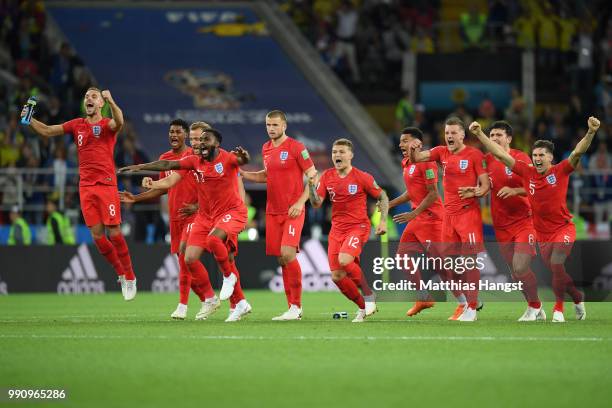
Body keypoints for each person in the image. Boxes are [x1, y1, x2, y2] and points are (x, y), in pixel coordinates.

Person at [468, 117, 600, 322]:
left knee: (540, 266)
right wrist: (478, 135)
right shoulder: (520, 168)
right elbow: (499, 156)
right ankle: (554, 302)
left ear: (550, 158)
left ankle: (557, 309)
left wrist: (591, 132)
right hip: (518, 228)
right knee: (516, 274)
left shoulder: (557, 170)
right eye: (535, 155)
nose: (537, 158)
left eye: (541, 155)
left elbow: (578, 152)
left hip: (535, 224)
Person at [119, 127, 253, 322]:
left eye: (204, 139)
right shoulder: (193, 161)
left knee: (220, 247)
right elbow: (167, 166)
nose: (199, 143)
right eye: (196, 140)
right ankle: (230, 301)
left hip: (230, 213)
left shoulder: (227, 158)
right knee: (189, 257)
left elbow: (242, 161)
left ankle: (229, 283)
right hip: (206, 216)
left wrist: (245, 157)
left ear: (216, 143)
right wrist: (140, 167)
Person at [21, 88, 137, 300]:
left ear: (101, 103)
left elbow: (119, 122)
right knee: (98, 237)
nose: (88, 99)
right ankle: (120, 274)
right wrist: (30, 120)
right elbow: (47, 130)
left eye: (93, 96)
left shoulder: (106, 125)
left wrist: (112, 100)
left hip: (106, 184)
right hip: (86, 187)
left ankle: (130, 276)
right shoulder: (77, 125)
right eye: (86, 97)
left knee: (115, 233)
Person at [460, 121, 543, 321]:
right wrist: (475, 191)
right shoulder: (486, 161)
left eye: (499, 135)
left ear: (509, 139)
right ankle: (535, 307)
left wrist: (515, 190)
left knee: (521, 267)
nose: (495, 138)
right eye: (493, 135)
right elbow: (485, 186)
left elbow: (536, 186)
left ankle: (534, 306)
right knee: (515, 273)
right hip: (502, 226)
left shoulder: (520, 158)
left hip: (524, 221)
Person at [409, 117, 490, 321]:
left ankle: (471, 307)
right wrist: (414, 148)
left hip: (468, 214)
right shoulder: (440, 152)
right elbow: (417, 159)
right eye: (447, 133)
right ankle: (473, 300)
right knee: (446, 265)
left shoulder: (474, 155)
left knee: (469, 262)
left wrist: (475, 193)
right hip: (449, 216)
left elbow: (485, 185)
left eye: (454, 133)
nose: (450, 136)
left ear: (463, 135)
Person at [241, 110, 317, 321]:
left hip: (293, 210)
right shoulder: (265, 148)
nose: (271, 129)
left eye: (275, 125)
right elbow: (267, 176)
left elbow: (313, 176)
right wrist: (244, 174)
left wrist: (301, 202)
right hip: (272, 212)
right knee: (282, 260)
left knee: (288, 254)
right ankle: (291, 307)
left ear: (284, 126)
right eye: (268, 125)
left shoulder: (296, 147)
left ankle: (297, 306)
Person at [308, 139, 388, 322]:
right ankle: (363, 307)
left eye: (342, 152)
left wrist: (382, 221)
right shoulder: (327, 176)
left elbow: (382, 196)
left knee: (345, 260)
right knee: (337, 276)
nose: (337, 155)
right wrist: (312, 187)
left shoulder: (362, 177)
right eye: (334, 152)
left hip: (358, 226)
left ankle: (369, 296)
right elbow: (316, 203)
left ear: (351, 155)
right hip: (337, 230)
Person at [389, 127, 444, 317]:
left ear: (416, 143)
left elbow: (433, 193)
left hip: (431, 218)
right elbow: (411, 192)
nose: (400, 144)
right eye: (401, 141)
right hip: (417, 218)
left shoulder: (427, 162)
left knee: (441, 264)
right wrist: (390, 204)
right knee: (403, 256)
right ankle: (423, 297)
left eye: (405, 141)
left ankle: (470, 301)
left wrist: (413, 214)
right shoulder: (406, 163)